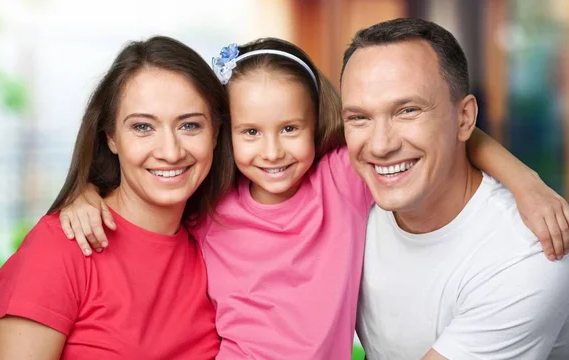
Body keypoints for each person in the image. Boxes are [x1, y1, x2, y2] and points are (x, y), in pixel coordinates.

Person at [57, 37, 569, 359]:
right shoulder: (210, 206)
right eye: (250, 132)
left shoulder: (340, 181)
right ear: (225, 135)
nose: (273, 151)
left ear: (316, 123)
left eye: (290, 129)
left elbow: (446, 134)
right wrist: (86, 193)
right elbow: (145, 193)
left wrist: (526, 181)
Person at [0, 36, 230, 359]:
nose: (170, 152)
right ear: (112, 138)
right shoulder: (61, 246)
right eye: (143, 127)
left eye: (189, 125)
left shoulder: (218, 246)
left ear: (215, 133)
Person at [341, 18, 569, 359]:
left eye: (408, 111)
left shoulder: (527, 255)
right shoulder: (344, 190)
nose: (380, 144)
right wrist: (523, 176)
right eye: (359, 117)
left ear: (465, 118)